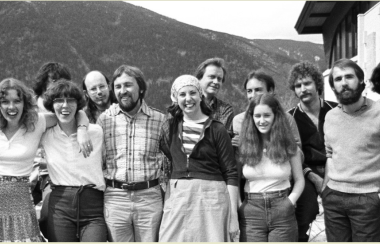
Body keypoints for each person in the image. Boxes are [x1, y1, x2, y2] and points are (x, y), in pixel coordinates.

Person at [0, 78, 91, 242]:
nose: (11, 107)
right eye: (5, 102)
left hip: (20, 201)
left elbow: (76, 113)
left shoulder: (36, 122)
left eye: (17, 101)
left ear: (25, 103)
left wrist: (83, 130)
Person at [159, 75, 239, 242]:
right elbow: (169, 154)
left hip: (212, 199)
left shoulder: (217, 129)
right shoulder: (170, 127)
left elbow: (231, 173)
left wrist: (233, 217)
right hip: (178, 197)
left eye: (192, 93)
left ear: (200, 95)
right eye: (182, 94)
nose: (188, 99)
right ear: (175, 98)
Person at [97, 65, 165, 242]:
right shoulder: (105, 120)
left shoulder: (160, 120)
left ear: (141, 88)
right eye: (118, 87)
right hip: (115, 197)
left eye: (128, 85)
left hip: (149, 196)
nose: (122, 91)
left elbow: (173, 157)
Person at [41, 80, 107, 242]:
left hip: (93, 205)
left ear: (78, 104)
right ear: (51, 105)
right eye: (59, 101)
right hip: (60, 206)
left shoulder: (96, 132)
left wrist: (82, 128)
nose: (65, 105)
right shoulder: (46, 134)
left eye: (71, 100)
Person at [322, 58, 380, 241]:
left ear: (361, 81)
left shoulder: (378, 112)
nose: (344, 83)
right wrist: (325, 189)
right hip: (334, 197)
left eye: (349, 77)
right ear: (333, 87)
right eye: (338, 79)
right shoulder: (330, 117)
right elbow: (329, 154)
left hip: (368, 197)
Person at [238, 93, 304, 242]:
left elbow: (299, 179)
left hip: (282, 207)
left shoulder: (288, 145)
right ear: (251, 117)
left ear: (276, 116)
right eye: (257, 116)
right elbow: (234, 180)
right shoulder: (243, 146)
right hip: (251, 211)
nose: (262, 121)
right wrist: (240, 206)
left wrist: (290, 202)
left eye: (267, 115)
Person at [232, 70, 302, 202]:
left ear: (270, 91)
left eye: (258, 90)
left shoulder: (287, 119)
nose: (253, 95)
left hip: (282, 182)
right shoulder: (238, 120)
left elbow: (298, 152)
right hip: (250, 184)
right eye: (249, 91)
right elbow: (238, 156)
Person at [287, 61, 337, 242]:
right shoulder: (290, 117)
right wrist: (312, 176)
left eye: (307, 83)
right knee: (305, 211)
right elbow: (293, 152)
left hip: (337, 168)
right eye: (298, 86)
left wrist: (328, 176)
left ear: (317, 84)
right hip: (305, 171)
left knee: (338, 214)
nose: (303, 89)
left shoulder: (336, 110)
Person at [31, 62, 72, 205]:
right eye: (53, 80)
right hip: (29, 168)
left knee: (48, 215)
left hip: (54, 171)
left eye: (61, 80)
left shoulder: (66, 107)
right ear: (43, 81)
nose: (57, 84)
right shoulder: (30, 106)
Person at [194, 57, 234, 134]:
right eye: (212, 77)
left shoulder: (225, 110)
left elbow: (220, 138)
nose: (216, 82)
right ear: (199, 78)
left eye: (219, 79)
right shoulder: (185, 103)